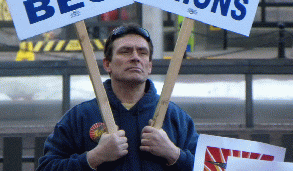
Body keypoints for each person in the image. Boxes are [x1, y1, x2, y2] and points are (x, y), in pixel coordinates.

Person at [37, 23, 198, 170]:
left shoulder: (175, 117)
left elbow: (214, 166)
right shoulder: (80, 117)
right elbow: (46, 167)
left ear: (149, 66)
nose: (135, 57)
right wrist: (94, 157)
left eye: (142, 53)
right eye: (125, 51)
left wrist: (174, 154)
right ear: (107, 64)